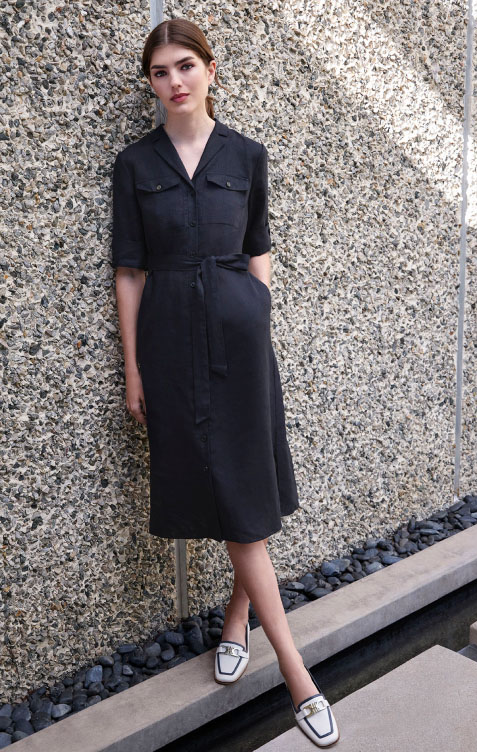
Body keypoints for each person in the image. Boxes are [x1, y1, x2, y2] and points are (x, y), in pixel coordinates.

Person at [111, 18, 339, 747]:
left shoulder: (247, 155)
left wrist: (256, 312)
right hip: (171, 341)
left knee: (250, 485)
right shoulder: (134, 164)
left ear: (211, 69)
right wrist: (134, 368)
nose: (174, 81)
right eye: (159, 72)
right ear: (151, 84)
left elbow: (259, 244)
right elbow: (127, 271)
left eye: (185, 66)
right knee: (238, 491)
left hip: (241, 339)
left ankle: (293, 671)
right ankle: (246, 626)